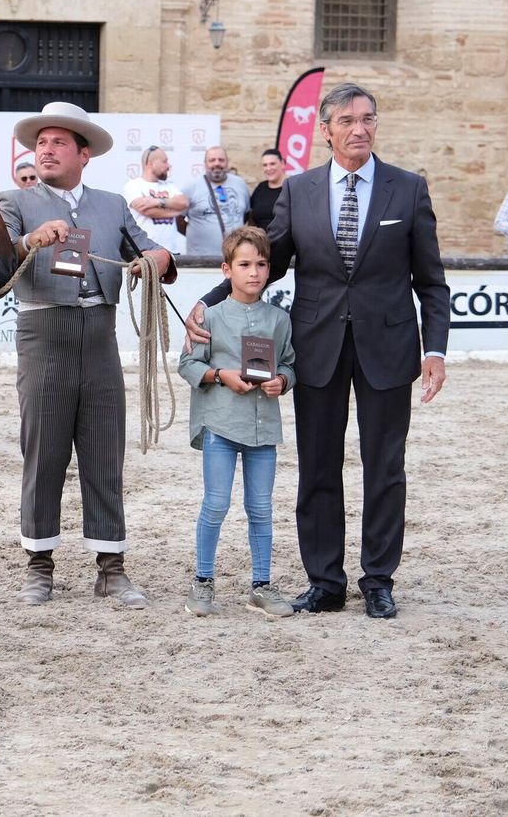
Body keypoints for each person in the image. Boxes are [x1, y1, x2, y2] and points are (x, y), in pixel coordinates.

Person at [186, 83, 449, 619]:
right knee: (319, 467)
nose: (360, 129)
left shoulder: (408, 189)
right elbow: (268, 260)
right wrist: (207, 302)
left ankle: (378, 580)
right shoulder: (298, 190)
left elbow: (431, 281)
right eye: (347, 121)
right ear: (326, 131)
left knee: (385, 467)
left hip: (389, 347)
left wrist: (436, 350)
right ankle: (325, 582)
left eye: (368, 119)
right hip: (317, 347)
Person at [0, 101, 176, 609]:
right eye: (41, 143)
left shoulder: (113, 205)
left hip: (101, 333)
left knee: (104, 451)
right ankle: (39, 566)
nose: (46, 150)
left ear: (84, 154)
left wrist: (155, 259)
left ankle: (111, 568)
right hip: (43, 332)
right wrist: (30, 240)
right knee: (43, 452)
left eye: (58, 142)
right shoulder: (15, 201)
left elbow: (152, 250)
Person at [178, 226, 297, 618]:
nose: (254, 272)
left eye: (261, 264)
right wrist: (220, 375)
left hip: (263, 430)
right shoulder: (208, 318)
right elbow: (188, 364)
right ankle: (202, 582)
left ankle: (261, 586)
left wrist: (283, 381)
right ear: (226, 269)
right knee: (215, 504)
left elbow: (289, 364)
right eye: (244, 265)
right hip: (221, 426)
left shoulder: (279, 320)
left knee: (261, 508)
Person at [183, 146, 250, 257]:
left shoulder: (241, 184)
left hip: (235, 257)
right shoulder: (191, 187)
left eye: (221, 160)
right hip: (200, 259)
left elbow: (246, 215)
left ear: (227, 162)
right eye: (212, 160)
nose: (217, 163)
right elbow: (178, 219)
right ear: (205, 164)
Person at [122, 145, 187, 255]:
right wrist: (174, 211)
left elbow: (184, 202)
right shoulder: (133, 185)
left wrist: (157, 202)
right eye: (164, 161)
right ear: (151, 163)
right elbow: (146, 210)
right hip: (146, 252)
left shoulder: (170, 186)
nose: (168, 165)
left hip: (172, 252)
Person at [248, 148, 286, 230]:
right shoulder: (261, 187)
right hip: (260, 237)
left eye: (272, 164)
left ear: (282, 163)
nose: (268, 168)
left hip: (284, 238)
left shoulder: (291, 188)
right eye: (265, 165)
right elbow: (251, 215)